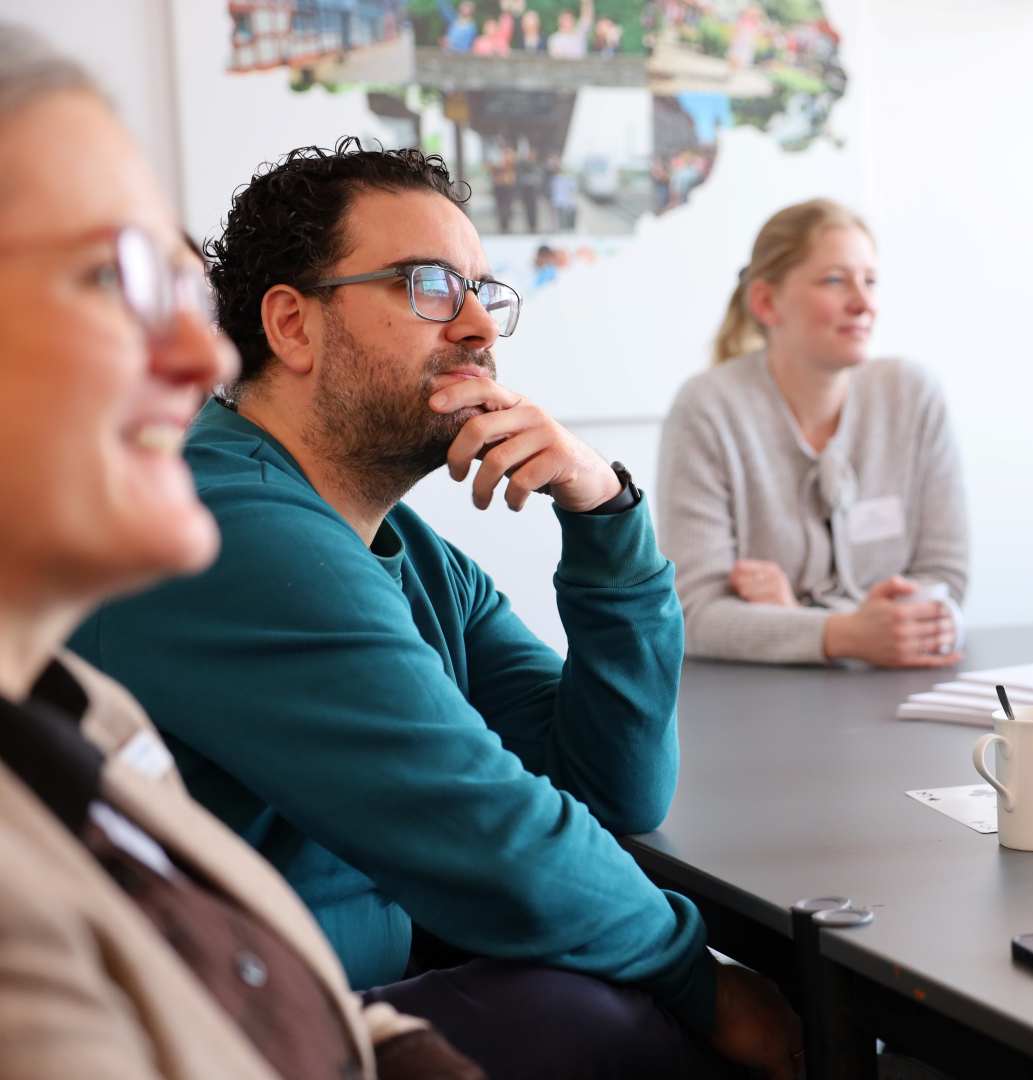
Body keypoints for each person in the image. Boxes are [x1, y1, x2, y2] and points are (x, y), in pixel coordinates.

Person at [69, 139, 801, 1077]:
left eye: (484, 294)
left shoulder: (400, 549)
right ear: (292, 326)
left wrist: (604, 511)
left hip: (341, 986)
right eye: (427, 285)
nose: (477, 328)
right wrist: (700, 981)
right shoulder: (231, 530)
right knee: (607, 1019)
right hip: (219, 1033)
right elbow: (495, 833)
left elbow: (612, 782)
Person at [0, 28, 480, 1079]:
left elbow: (254, 972)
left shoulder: (79, 709)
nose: (204, 354)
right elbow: (504, 834)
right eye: (113, 274)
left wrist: (605, 519)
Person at [656, 198, 969, 667]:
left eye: (870, 281)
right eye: (835, 280)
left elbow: (945, 587)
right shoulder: (707, 409)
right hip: (756, 709)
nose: (863, 303)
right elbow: (695, 614)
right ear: (766, 302)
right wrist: (845, 632)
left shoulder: (913, 395)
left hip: (900, 695)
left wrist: (792, 616)